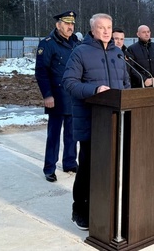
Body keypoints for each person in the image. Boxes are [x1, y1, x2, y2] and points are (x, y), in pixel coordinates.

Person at [62, 13, 130, 231]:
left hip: (116, 121)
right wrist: (95, 90)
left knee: (113, 167)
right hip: (92, 120)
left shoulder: (118, 53)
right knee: (89, 168)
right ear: (92, 30)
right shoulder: (80, 52)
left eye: (109, 27)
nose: (106, 31)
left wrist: (128, 98)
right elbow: (69, 82)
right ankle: (79, 209)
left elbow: (126, 83)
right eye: (101, 27)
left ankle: (105, 205)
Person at [35, 11, 81, 183]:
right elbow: (41, 72)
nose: (71, 27)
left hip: (74, 96)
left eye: (72, 24)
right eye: (67, 23)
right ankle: (49, 168)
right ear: (58, 25)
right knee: (53, 135)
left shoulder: (76, 43)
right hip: (56, 96)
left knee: (72, 133)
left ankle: (70, 162)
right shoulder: (47, 44)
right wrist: (47, 94)